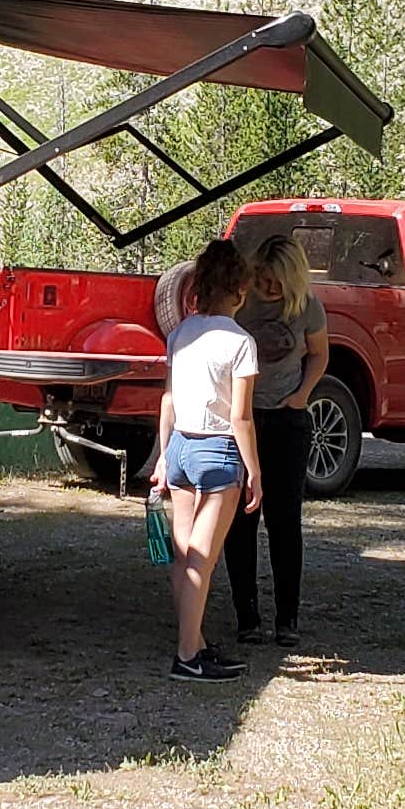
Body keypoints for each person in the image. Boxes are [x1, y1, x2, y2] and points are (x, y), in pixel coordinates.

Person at [151, 237, 262, 680]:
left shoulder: (180, 333)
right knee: (203, 558)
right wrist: (254, 471)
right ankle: (187, 655)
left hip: (179, 446)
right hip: (217, 451)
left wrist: (161, 457)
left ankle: (193, 640)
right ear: (238, 290)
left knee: (183, 555)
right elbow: (241, 417)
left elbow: (167, 401)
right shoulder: (240, 342)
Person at [223, 221, 329, 647]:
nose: (269, 288)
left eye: (276, 282)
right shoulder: (241, 304)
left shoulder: (308, 306)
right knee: (239, 520)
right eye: (263, 279)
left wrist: (302, 395)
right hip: (243, 419)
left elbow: (320, 354)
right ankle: (246, 617)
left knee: (285, 522)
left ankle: (288, 619)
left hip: (287, 419)